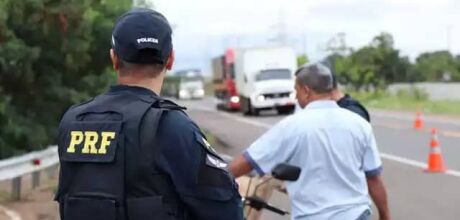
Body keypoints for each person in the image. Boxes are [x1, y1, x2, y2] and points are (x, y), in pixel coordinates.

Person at [55, 8, 243, 220]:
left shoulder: (73, 121)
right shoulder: (171, 126)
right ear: (170, 59)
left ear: (114, 58)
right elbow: (227, 209)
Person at [230, 64, 390, 220]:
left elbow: (247, 161)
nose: (295, 95)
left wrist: (213, 179)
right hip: (357, 214)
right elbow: (373, 178)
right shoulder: (359, 124)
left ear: (306, 91)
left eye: (296, 90)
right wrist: (385, 215)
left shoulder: (292, 126)